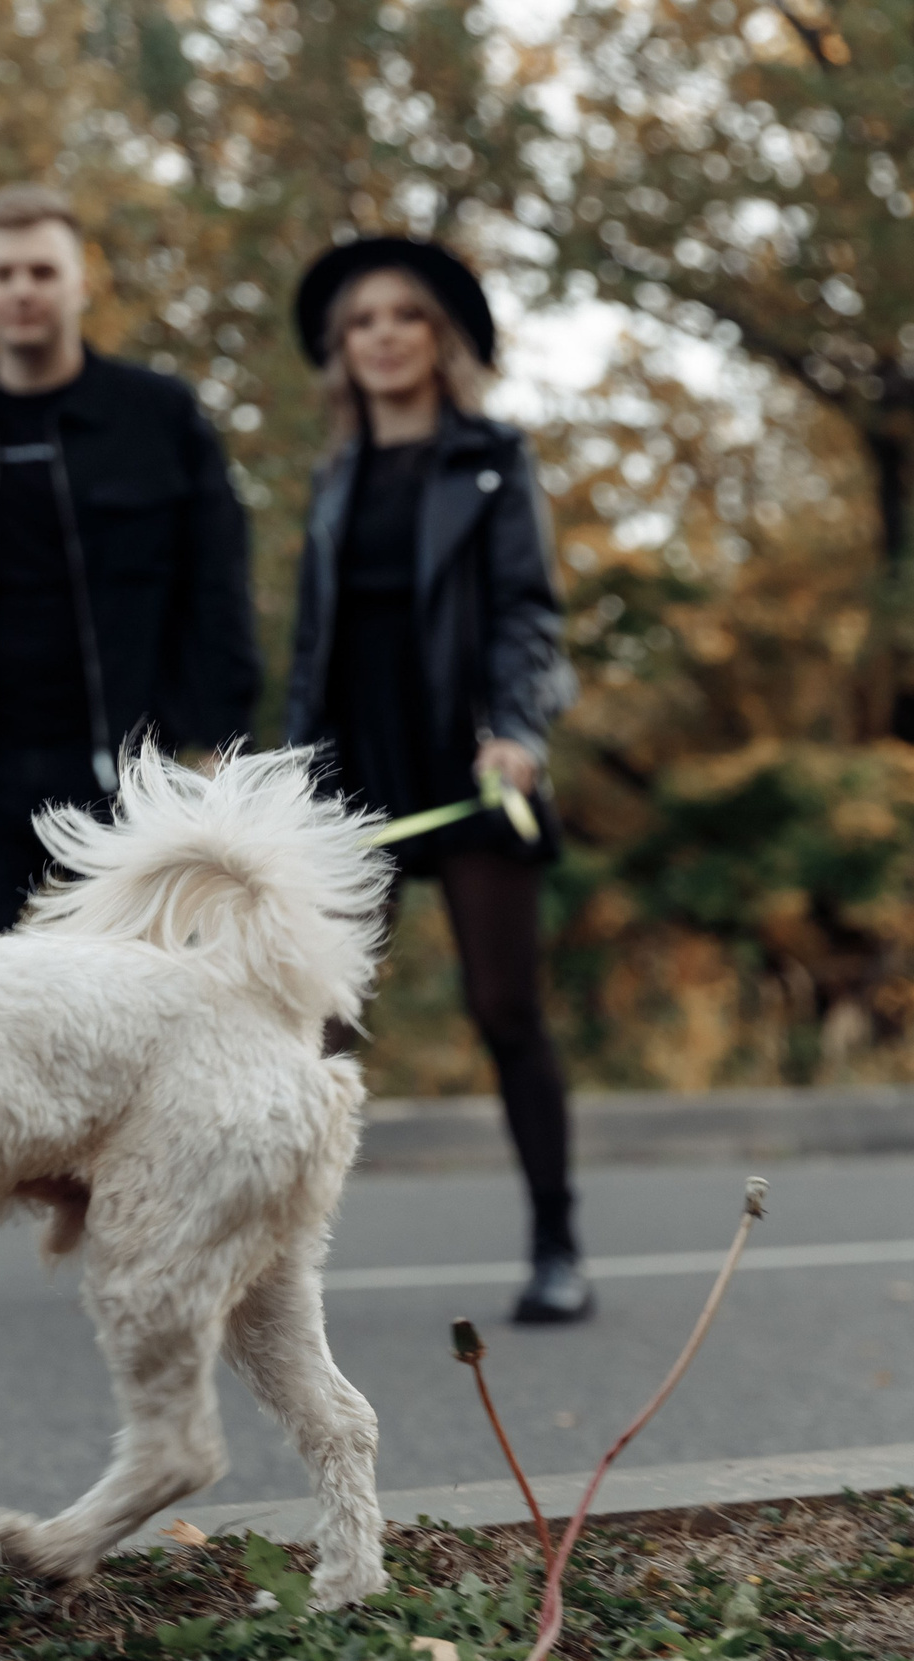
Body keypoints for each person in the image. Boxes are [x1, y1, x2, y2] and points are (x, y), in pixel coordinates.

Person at [0, 183, 262, 1314]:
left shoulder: (159, 418)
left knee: (152, 1016)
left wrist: (215, 749)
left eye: (43, 270)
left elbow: (216, 593)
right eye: (3, 272)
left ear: (79, 282)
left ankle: (186, 1239)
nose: (24, 291)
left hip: (129, 779)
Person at [285, 237, 589, 1325]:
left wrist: (514, 729)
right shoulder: (333, 480)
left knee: (505, 1006)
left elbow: (527, 613)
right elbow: (315, 644)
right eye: (359, 321)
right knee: (308, 1020)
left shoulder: (492, 457)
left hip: (467, 771)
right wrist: (283, 769)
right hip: (351, 776)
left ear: (438, 338)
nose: (380, 335)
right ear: (341, 348)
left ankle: (557, 1243)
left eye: (402, 316)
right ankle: (274, 1262)